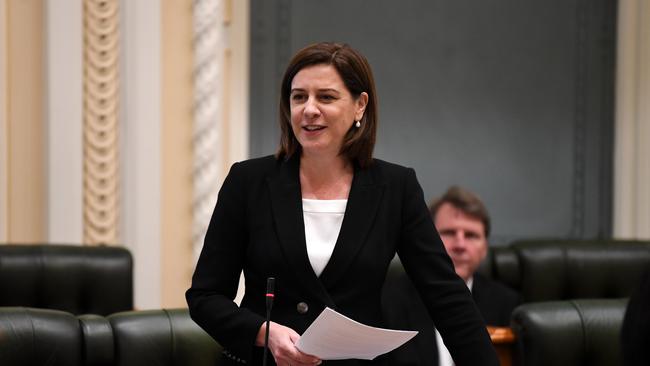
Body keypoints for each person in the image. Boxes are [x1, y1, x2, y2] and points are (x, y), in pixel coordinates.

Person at [186, 42, 498, 366]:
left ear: (360, 106)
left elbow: (446, 296)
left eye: (326, 97)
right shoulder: (247, 181)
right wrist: (263, 332)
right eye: (298, 97)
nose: (309, 109)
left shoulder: (395, 188)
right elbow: (205, 298)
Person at [382, 185, 520, 366]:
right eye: (448, 233)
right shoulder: (387, 301)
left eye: (471, 235)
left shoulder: (508, 304)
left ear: (485, 249)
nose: (460, 245)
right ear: (426, 240)